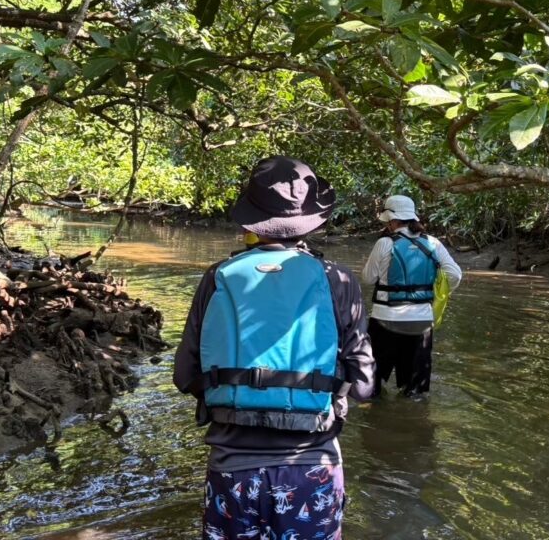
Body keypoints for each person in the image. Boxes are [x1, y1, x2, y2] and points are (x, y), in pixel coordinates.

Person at [173, 156, 375, 540]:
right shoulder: (337, 280)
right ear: (311, 220)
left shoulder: (217, 277)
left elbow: (184, 376)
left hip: (231, 471)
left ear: (251, 219)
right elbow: (365, 387)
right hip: (312, 468)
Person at [360, 195, 461, 397]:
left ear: (392, 220)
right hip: (421, 321)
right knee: (415, 390)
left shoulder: (384, 243)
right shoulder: (433, 243)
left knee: (372, 384)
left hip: (385, 321)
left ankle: (374, 420)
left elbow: (368, 279)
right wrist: (435, 295)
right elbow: (455, 275)